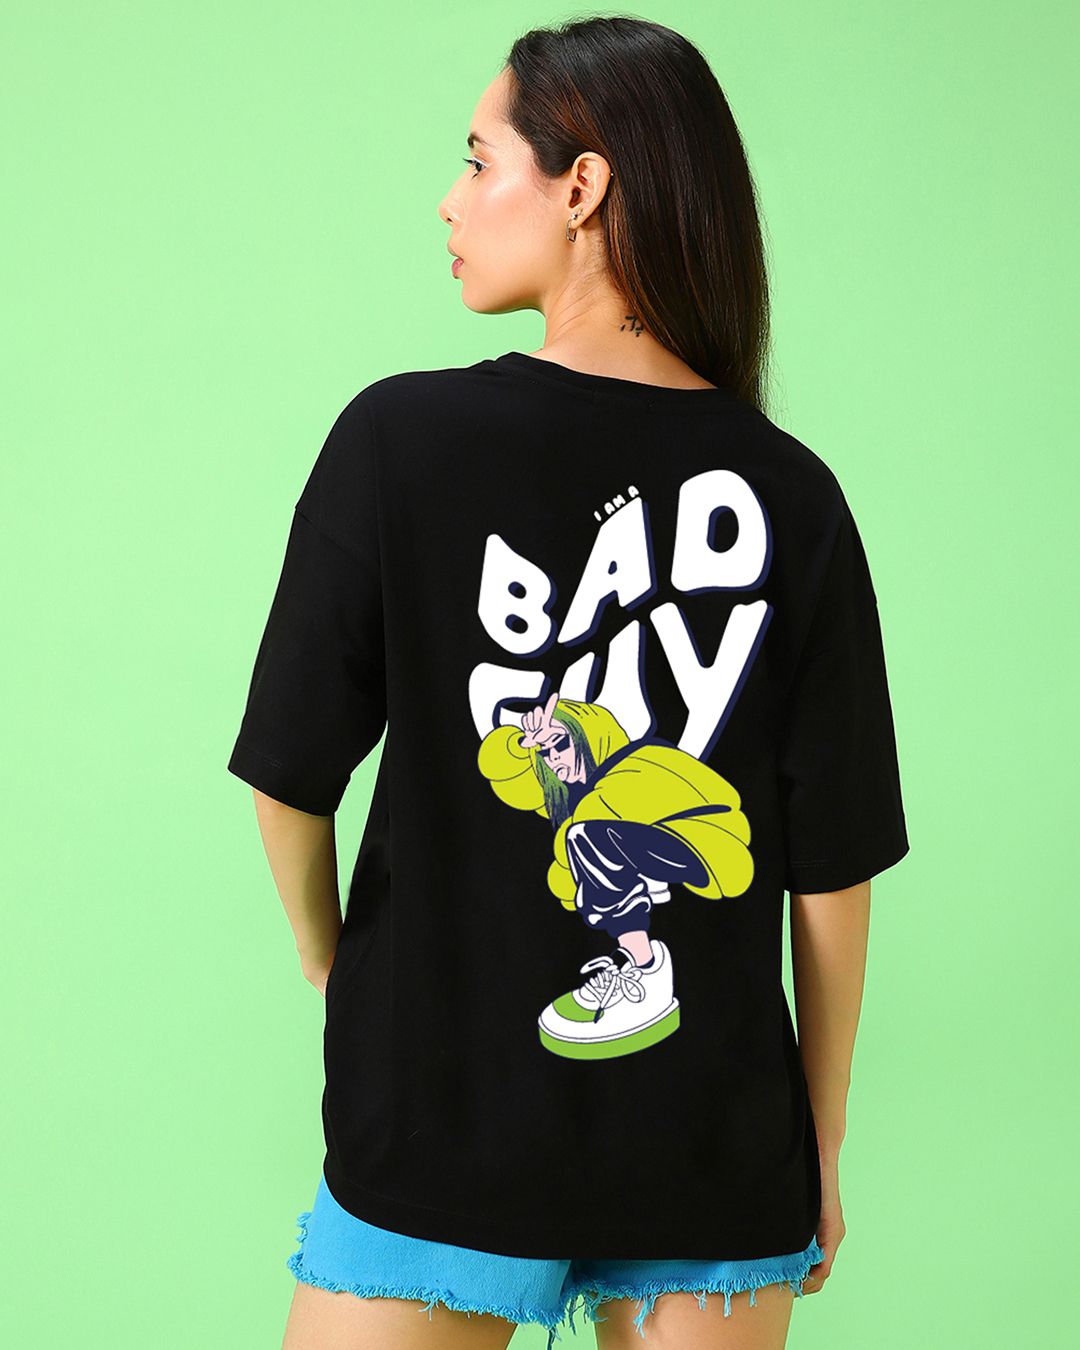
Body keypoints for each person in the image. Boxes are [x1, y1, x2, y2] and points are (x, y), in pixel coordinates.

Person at [227, 16, 910, 1350]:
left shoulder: (397, 439)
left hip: (437, 1119)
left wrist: (334, 960)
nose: (450, 198)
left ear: (582, 186)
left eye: (480, 160)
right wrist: (820, 1140)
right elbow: (833, 870)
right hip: (714, 1146)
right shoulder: (795, 494)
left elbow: (288, 772)